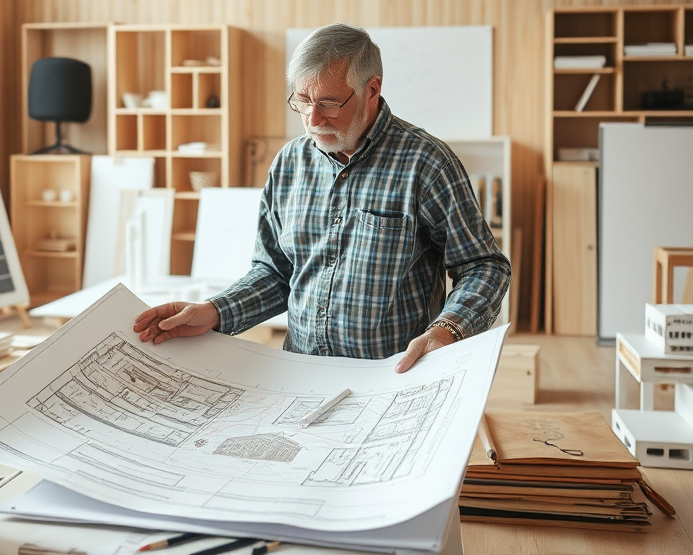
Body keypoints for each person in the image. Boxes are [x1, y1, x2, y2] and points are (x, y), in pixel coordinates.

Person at [134, 22, 511, 372]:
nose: (313, 119)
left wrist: (448, 330)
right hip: (302, 375)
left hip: (393, 375)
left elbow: (484, 266)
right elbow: (276, 272)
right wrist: (214, 311)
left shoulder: (427, 163)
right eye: (302, 101)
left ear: (372, 90)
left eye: (329, 103)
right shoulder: (289, 164)